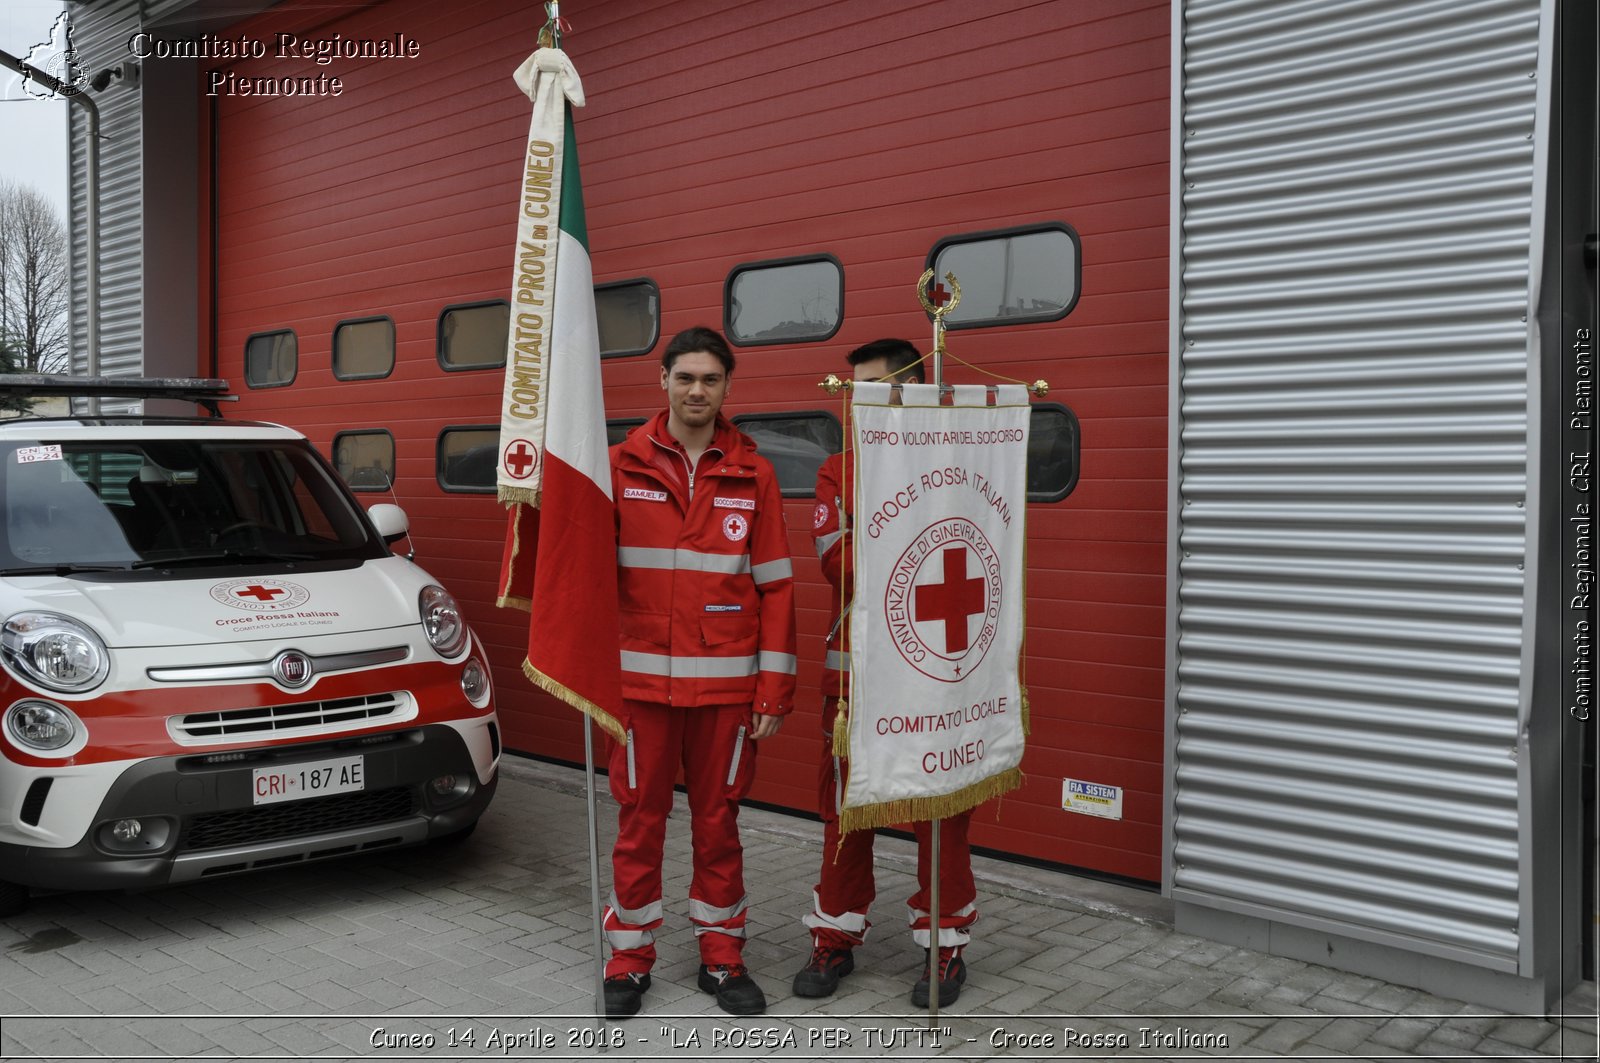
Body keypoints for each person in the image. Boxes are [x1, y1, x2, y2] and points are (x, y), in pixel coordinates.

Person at [602, 325, 797, 1020]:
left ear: (726, 388)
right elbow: (586, 578)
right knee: (638, 820)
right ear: (662, 380)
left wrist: (775, 687)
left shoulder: (754, 472)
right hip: (640, 688)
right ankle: (628, 955)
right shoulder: (619, 465)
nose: (696, 390)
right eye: (685, 376)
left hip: (725, 688)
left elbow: (776, 586)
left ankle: (722, 954)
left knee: (719, 822)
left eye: (710, 379)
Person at [792, 337, 978, 1007]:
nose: (861, 400)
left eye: (876, 386)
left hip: (939, 681)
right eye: (855, 389)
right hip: (855, 687)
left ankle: (946, 947)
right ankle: (834, 938)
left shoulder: (963, 466)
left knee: (942, 815)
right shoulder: (840, 470)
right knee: (846, 815)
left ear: (914, 390)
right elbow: (841, 565)